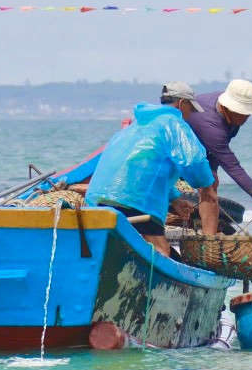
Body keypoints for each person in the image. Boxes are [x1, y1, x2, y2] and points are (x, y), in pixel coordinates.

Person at [85, 83, 214, 256]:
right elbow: (193, 160)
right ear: (182, 103)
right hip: (136, 201)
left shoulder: (137, 126)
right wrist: (206, 187)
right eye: (190, 108)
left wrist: (175, 200)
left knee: (115, 249)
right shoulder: (173, 123)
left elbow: (147, 171)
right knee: (161, 250)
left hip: (101, 199)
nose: (190, 115)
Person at [183, 78, 252, 234]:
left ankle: (208, 236)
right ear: (227, 107)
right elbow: (231, 164)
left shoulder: (230, 115)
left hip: (202, 147)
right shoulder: (211, 126)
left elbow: (215, 151)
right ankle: (209, 237)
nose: (245, 117)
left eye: (247, 113)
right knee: (209, 184)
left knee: (212, 180)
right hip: (179, 148)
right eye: (241, 113)